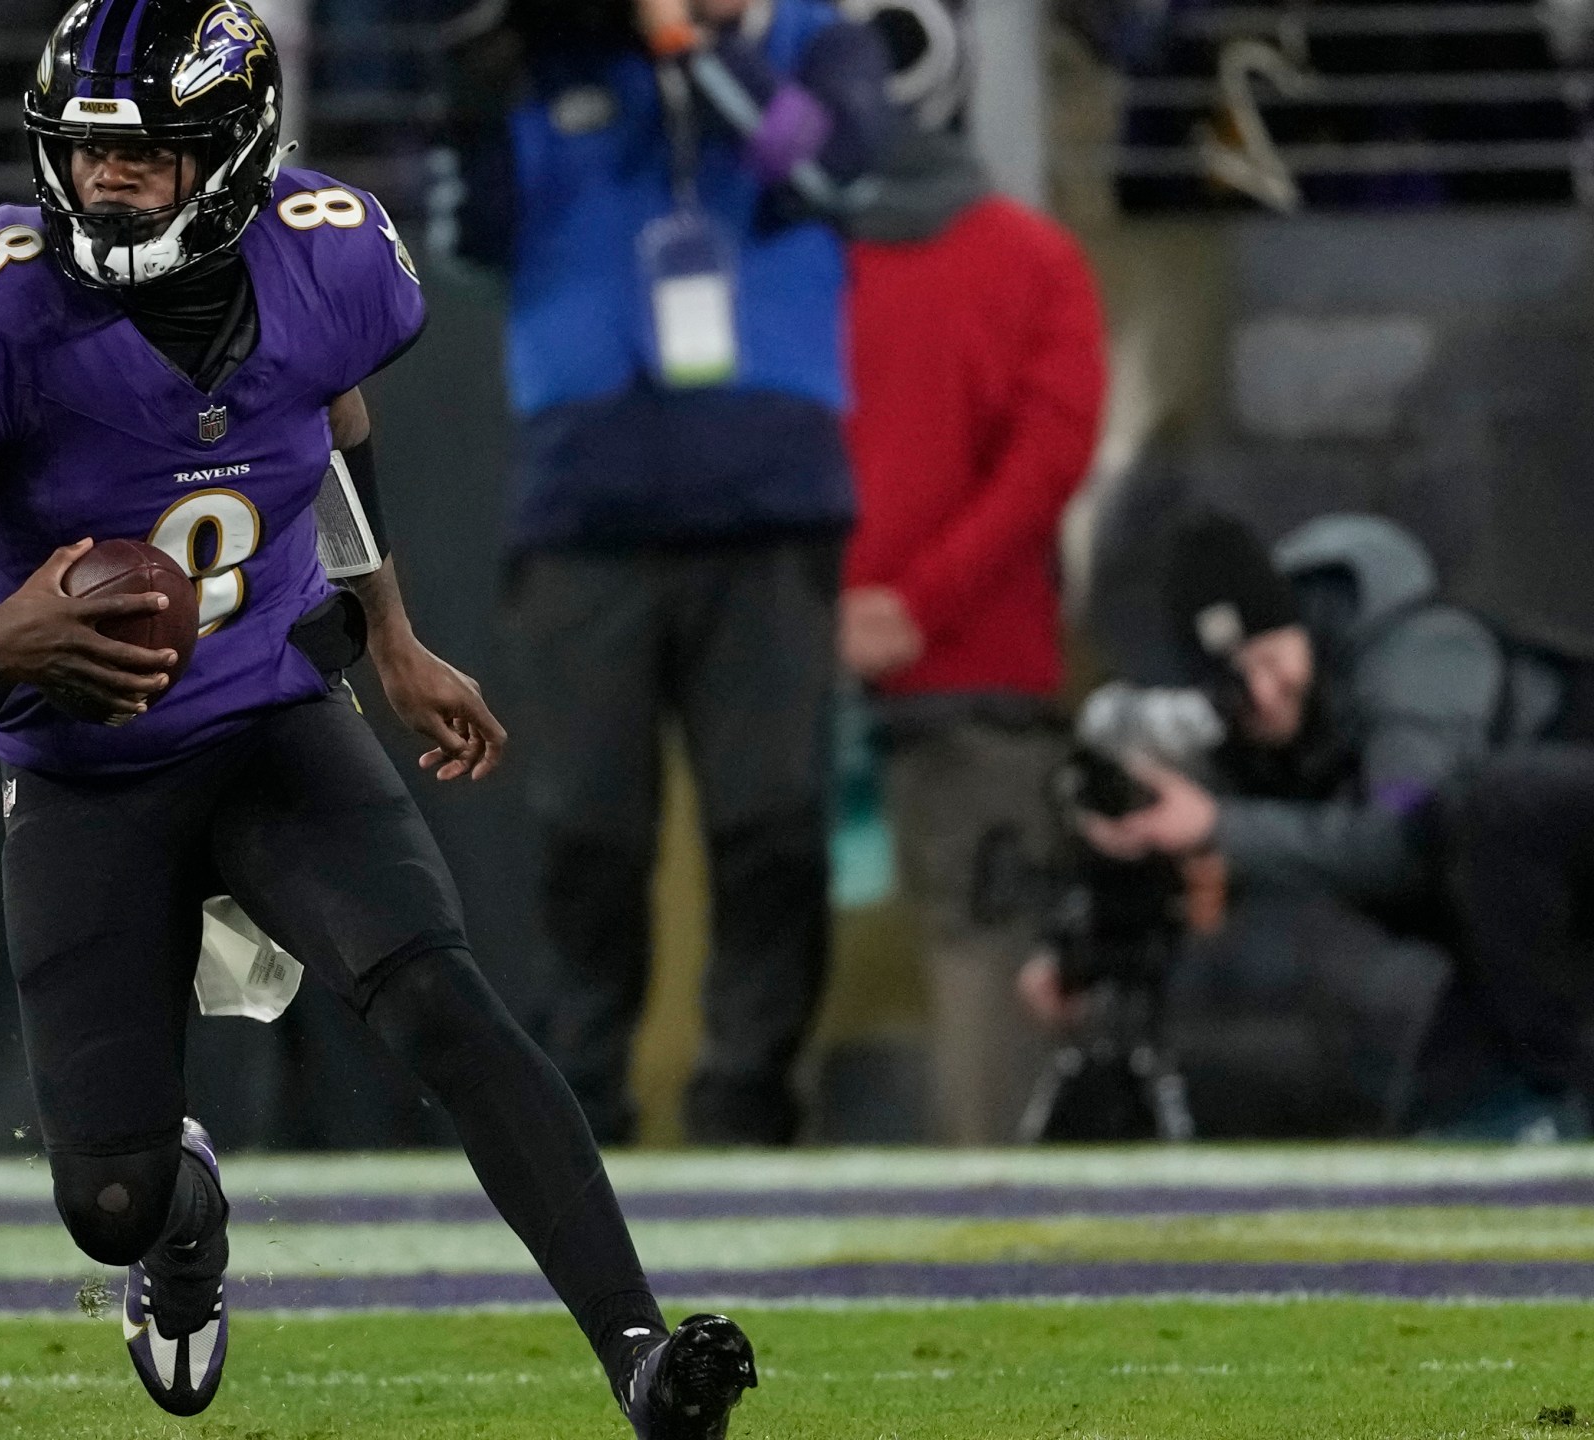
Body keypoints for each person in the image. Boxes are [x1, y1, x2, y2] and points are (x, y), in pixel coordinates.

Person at [0, 3, 758, 1433]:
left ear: (233, 152)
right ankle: (183, 1225)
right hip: (88, 773)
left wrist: (391, 634)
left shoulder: (330, 252)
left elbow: (329, 421)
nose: (105, 186)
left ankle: (638, 1352)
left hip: (268, 717)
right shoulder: (0, 304)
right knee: (109, 1201)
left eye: (148, 158)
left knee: (442, 998)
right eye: (85, 156)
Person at [446, 0, 895, 1145]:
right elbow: (472, 237)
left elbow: (838, 174)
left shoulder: (819, 41)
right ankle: (580, 1108)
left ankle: (746, 1103)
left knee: (774, 822)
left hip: (765, 501)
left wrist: (699, 44)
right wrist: (477, 77)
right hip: (585, 503)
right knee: (585, 831)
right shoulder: (552, 56)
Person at [1032, 511, 1591, 1139]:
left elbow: (1402, 839)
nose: (1266, 694)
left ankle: (1567, 1101)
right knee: (1449, 1138)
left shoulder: (1419, 654)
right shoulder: (1285, 742)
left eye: (1272, 661)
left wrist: (1218, 825)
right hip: (1523, 951)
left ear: (1302, 628)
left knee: (1498, 807)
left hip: (1561, 883)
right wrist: (1085, 951)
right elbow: (1235, 861)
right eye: (1240, 684)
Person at [838, 0, 1107, 1144]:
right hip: (966, 661)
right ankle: (992, 1212)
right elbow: (1047, 459)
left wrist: (855, 607)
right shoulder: (1032, 262)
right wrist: (914, 606)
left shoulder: (799, 257)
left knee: (953, 950)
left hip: (819, 660)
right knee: (980, 949)